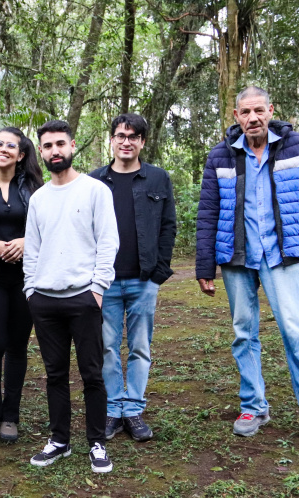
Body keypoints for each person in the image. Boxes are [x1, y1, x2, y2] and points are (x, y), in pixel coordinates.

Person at [196, 86, 299, 449]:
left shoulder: (295, 147)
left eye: (259, 110)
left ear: (270, 110)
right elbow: (208, 212)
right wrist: (204, 264)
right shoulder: (220, 155)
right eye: (245, 112)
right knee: (244, 332)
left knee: (297, 332)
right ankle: (253, 406)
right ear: (236, 116)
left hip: (282, 255)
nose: (253, 118)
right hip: (236, 258)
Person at [24, 120, 119, 473]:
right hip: (44, 300)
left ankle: (96, 442)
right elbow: (31, 250)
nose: (54, 151)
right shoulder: (38, 198)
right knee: (54, 374)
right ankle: (59, 440)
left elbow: (108, 242)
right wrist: (31, 290)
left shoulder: (95, 191)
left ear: (73, 145)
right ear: (42, 152)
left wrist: (97, 289)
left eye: (60, 144)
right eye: (47, 146)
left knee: (92, 373)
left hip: (83, 297)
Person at [90, 114, 176, 442]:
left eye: (133, 136)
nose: (126, 141)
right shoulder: (94, 182)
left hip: (143, 280)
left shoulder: (157, 178)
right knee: (107, 347)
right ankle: (113, 408)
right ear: (111, 140)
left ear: (142, 142)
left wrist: (158, 273)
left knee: (140, 346)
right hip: (105, 282)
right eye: (121, 135)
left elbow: (168, 225)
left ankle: (134, 409)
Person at [0, 127, 44, 442]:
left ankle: (11, 416)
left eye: (10, 145)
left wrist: (24, 240)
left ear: (21, 154)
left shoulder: (33, 187)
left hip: (25, 278)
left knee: (17, 346)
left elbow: (48, 227)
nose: (2, 148)